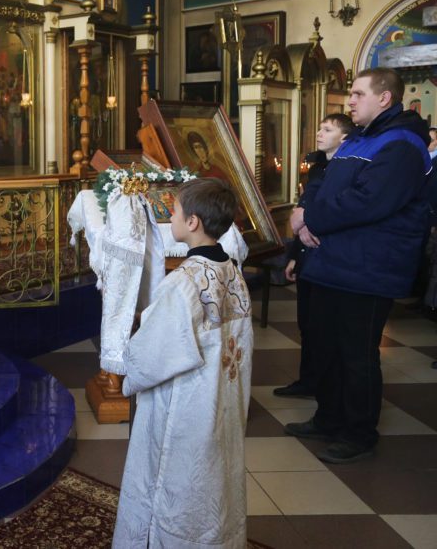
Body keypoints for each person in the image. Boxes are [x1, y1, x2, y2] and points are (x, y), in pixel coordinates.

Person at [287, 68, 431, 463]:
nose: (349, 101)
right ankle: (329, 418)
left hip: (368, 267)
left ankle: (358, 433)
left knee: (356, 353)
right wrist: (306, 220)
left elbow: (368, 202)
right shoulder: (361, 138)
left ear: (384, 98)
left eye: (357, 94)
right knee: (327, 345)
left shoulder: (401, 144)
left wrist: (310, 218)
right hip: (335, 261)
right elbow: (326, 186)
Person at [112, 178, 252, 549]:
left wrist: (130, 362)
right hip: (222, 401)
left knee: (176, 482)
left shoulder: (184, 283)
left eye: (173, 212)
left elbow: (154, 354)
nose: (170, 218)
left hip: (184, 407)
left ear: (192, 222)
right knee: (213, 477)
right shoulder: (234, 273)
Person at [274, 113, 354, 399]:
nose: (319, 133)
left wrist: (310, 223)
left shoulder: (348, 169)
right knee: (307, 324)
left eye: (327, 129)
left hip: (329, 255)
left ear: (344, 138)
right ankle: (308, 380)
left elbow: (336, 211)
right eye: (319, 128)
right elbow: (304, 208)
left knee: (325, 327)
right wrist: (295, 256)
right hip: (307, 255)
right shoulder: (317, 167)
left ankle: (327, 385)